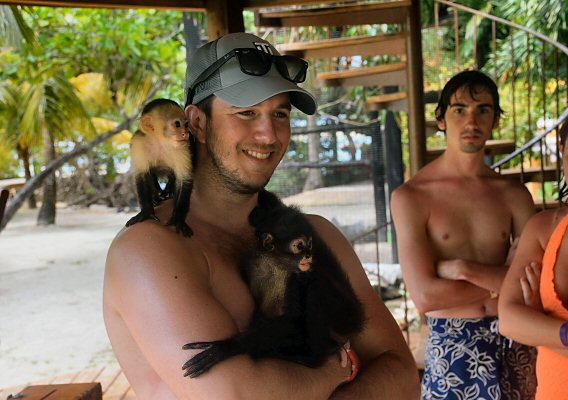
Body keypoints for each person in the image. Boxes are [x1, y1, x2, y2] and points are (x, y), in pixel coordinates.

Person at [103, 32, 420, 400]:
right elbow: (236, 396)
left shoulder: (314, 234)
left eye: (280, 114)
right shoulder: (151, 247)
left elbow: (401, 372)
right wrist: (333, 372)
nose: (268, 134)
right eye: (247, 112)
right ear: (198, 123)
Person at [391, 70, 537, 400]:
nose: (472, 120)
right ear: (441, 119)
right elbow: (426, 297)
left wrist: (462, 269)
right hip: (451, 344)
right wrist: (503, 283)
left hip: (515, 336)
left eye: (483, 109)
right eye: (459, 109)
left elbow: (535, 285)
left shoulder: (514, 195)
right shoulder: (412, 196)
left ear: (495, 120)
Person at [498, 98, 568, 399]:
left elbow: (523, 325)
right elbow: (509, 319)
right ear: (562, 155)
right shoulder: (544, 228)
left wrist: (541, 326)